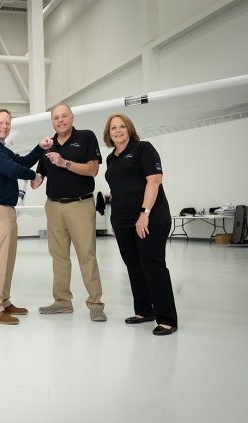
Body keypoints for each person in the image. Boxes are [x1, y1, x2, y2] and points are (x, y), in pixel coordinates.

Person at [103, 113, 178, 336]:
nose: (117, 131)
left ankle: (167, 319)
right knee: (134, 266)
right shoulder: (111, 158)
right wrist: (115, 221)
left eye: (121, 127)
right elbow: (117, 190)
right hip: (123, 221)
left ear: (129, 129)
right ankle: (144, 311)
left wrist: (144, 213)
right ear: (109, 133)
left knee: (152, 264)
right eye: (113, 128)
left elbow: (154, 180)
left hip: (150, 218)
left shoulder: (143, 148)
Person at [31, 103, 107, 322]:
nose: (60, 120)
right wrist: (29, 178)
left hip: (80, 205)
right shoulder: (48, 145)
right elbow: (39, 177)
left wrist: (65, 163)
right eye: (56, 118)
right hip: (53, 206)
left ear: (72, 118)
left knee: (86, 255)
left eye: (64, 116)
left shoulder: (86, 137)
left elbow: (92, 170)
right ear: (52, 122)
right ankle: (62, 302)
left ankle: (95, 304)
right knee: (59, 256)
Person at [0, 108, 44, 325]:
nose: (5, 126)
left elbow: (22, 162)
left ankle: (4, 302)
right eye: (1, 123)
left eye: (8, 123)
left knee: (7, 260)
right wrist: (35, 175)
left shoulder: (2, 148)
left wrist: (40, 149)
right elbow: (12, 169)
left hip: (6, 210)